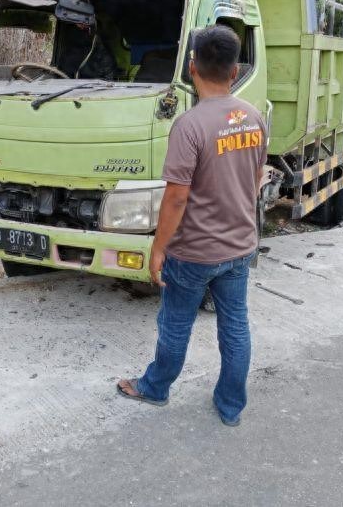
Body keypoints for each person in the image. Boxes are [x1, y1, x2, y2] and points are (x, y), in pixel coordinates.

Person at [116, 25, 267, 427]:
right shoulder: (254, 118)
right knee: (235, 327)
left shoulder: (190, 125)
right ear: (235, 71)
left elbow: (177, 198)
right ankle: (231, 407)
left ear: (192, 67)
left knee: (175, 324)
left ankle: (155, 388)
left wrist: (158, 248)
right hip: (240, 247)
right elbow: (255, 180)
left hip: (194, 251)